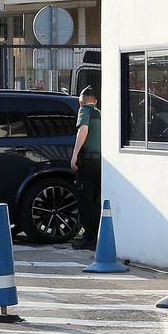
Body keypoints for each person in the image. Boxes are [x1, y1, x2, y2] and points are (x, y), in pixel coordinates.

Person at [69, 87, 102, 250]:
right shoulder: (101, 113)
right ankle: (96, 235)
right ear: (95, 100)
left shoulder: (85, 111)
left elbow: (83, 129)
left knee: (85, 199)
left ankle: (89, 236)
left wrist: (75, 154)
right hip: (101, 163)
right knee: (96, 200)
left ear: (80, 101)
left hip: (88, 161)